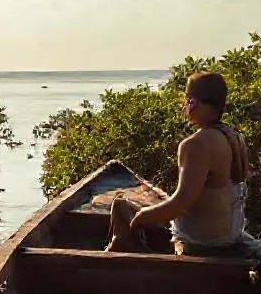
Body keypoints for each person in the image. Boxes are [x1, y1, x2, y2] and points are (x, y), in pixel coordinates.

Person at [104, 71, 248, 255]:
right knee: (123, 207)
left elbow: (180, 204)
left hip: (202, 242)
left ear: (192, 102)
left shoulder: (196, 144)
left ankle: (113, 254)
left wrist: (141, 217)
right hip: (229, 237)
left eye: (186, 100)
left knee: (120, 206)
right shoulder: (234, 137)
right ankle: (119, 246)